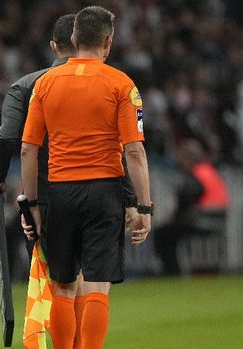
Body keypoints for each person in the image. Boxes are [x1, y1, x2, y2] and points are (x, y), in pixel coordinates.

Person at [21, 6, 152, 349]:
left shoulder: (45, 83)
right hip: (104, 192)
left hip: (60, 193)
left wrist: (31, 203)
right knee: (96, 285)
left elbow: (28, 150)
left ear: (74, 39)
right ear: (108, 42)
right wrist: (143, 206)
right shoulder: (121, 84)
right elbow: (134, 151)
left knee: (63, 285)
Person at [153, 138, 229, 275]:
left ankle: (171, 271)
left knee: (163, 234)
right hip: (219, 217)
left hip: (202, 218)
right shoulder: (209, 171)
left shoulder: (196, 174)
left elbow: (187, 197)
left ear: (188, 158)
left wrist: (175, 217)